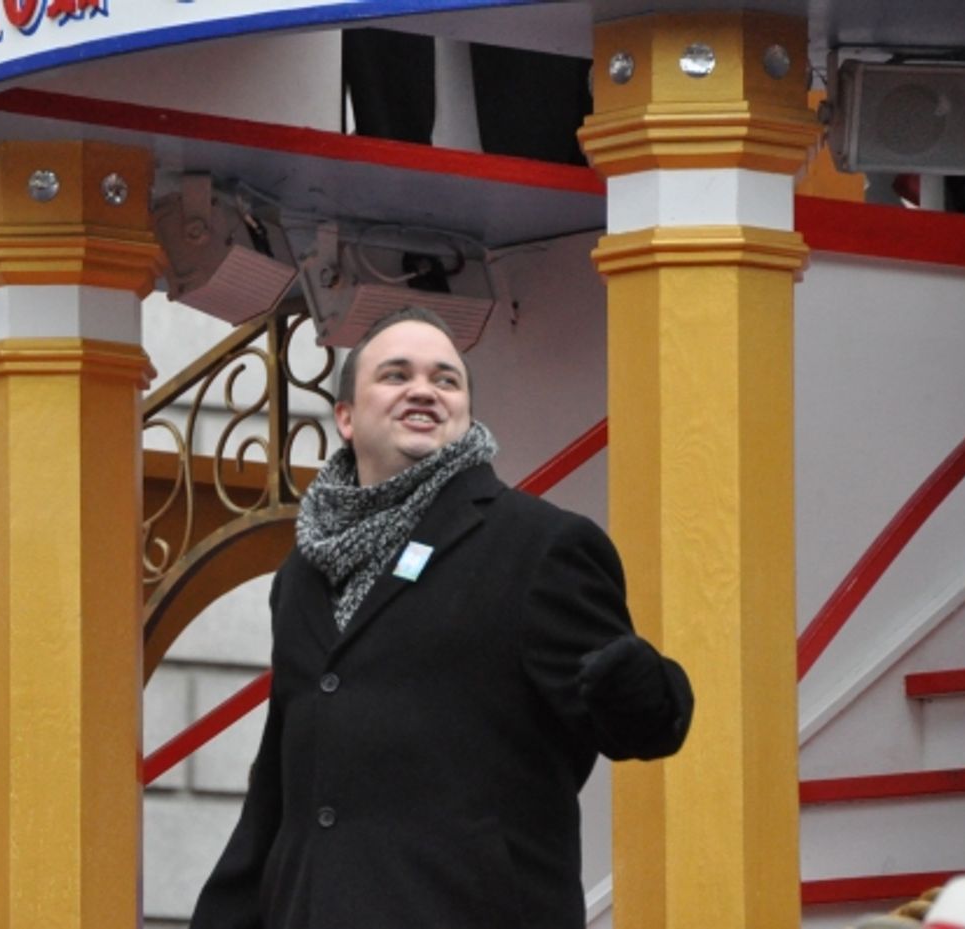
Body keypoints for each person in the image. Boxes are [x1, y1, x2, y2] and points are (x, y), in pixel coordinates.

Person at [189, 307, 694, 929]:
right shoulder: (303, 571)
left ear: (465, 414)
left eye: (445, 379)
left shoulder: (539, 546)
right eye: (395, 375)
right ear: (345, 417)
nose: (423, 390)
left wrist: (639, 684)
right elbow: (281, 780)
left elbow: (645, 727)